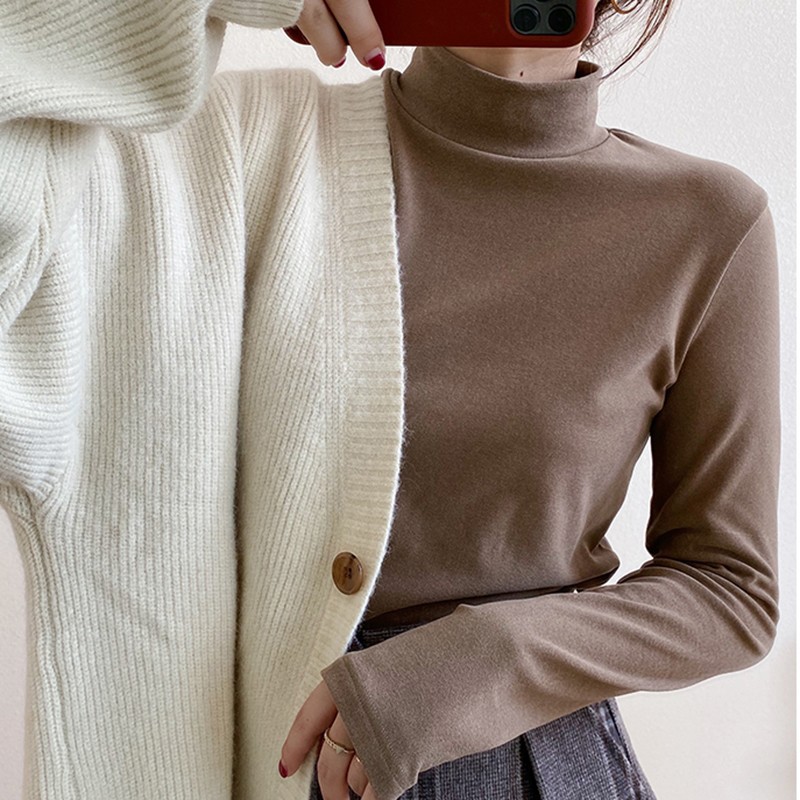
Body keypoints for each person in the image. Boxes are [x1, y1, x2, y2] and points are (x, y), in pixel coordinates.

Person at [0, 2, 780, 800]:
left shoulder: (706, 220)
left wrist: (482, 660)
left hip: (531, 761)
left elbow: (730, 589)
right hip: (266, 755)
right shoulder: (223, 147)